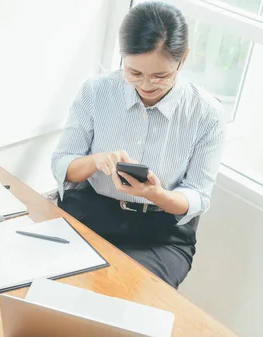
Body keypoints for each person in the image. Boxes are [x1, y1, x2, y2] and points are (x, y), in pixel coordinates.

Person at [51, 1, 225, 288]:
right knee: (56, 289)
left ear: (184, 58)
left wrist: (157, 194)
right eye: (134, 72)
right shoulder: (97, 91)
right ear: (123, 56)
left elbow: (198, 196)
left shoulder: (207, 114)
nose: (145, 85)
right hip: (90, 213)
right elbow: (61, 163)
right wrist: (96, 161)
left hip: (159, 234)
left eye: (161, 76)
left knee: (127, 299)